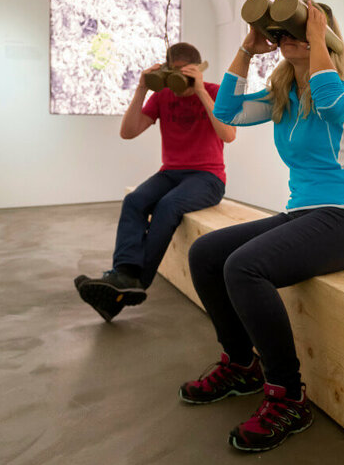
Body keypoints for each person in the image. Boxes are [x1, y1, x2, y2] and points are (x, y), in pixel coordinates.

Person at [180, 0, 344, 453]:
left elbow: (326, 102)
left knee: (244, 267)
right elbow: (226, 112)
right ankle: (241, 365)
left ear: (322, 36)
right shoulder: (281, 95)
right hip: (301, 213)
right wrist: (249, 49)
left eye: (298, 31)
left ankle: (288, 396)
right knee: (205, 254)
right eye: (283, 33)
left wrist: (317, 34)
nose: (289, 38)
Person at [74, 42, 235, 322]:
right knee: (134, 200)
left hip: (208, 177)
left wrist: (198, 90)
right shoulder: (162, 96)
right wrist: (142, 89)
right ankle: (122, 277)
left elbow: (229, 134)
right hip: (170, 173)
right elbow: (128, 132)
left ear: (196, 71)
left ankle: (138, 281)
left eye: (181, 75)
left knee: (167, 206)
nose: (174, 82)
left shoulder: (214, 91)